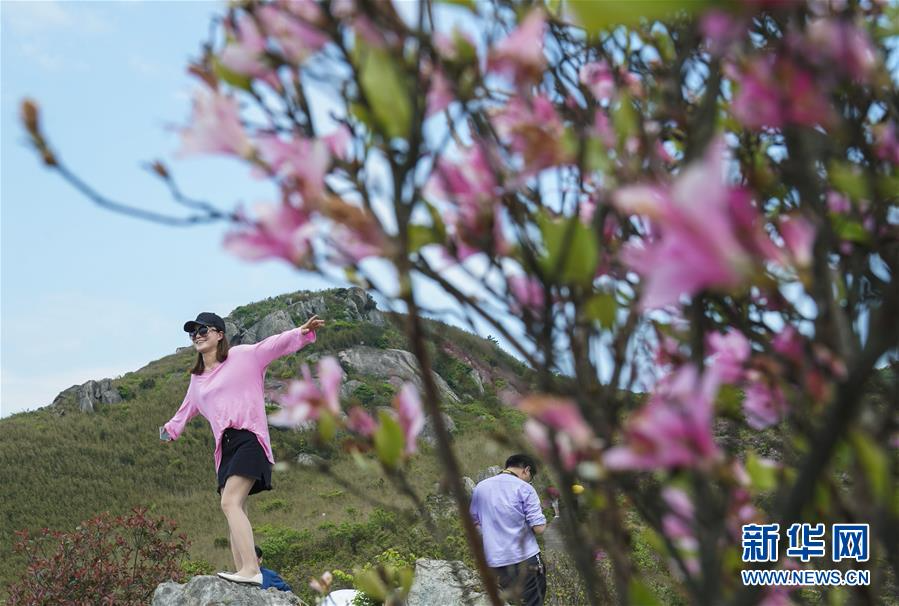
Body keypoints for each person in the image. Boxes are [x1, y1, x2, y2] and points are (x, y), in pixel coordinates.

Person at [160, 311, 325, 585]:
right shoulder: (197, 379)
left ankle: (251, 569)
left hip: (249, 437)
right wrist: (168, 432)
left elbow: (272, 345)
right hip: (225, 449)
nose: (197, 336)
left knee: (230, 502)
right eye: (193, 332)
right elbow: (184, 412)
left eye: (204, 330)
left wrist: (301, 332)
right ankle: (242, 573)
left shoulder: (242, 356)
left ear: (219, 334)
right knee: (235, 509)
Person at [470, 454, 547, 606]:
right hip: (526, 560)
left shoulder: (481, 487)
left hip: (496, 562)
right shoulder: (525, 488)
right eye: (530, 477)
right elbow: (539, 528)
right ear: (526, 470)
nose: (528, 481)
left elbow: (474, 523)